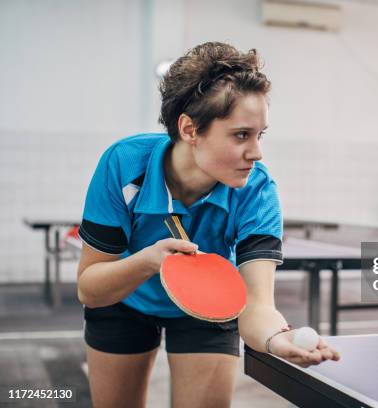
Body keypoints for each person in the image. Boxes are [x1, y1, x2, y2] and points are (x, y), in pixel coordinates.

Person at [76, 42, 340, 408]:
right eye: (241, 135)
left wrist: (276, 338)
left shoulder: (257, 190)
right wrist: (151, 261)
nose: (257, 153)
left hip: (211, 306)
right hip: (124, 302)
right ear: (189, 128)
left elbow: (257, 305)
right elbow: (90, 289)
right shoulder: (123, 164)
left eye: (260, 135)